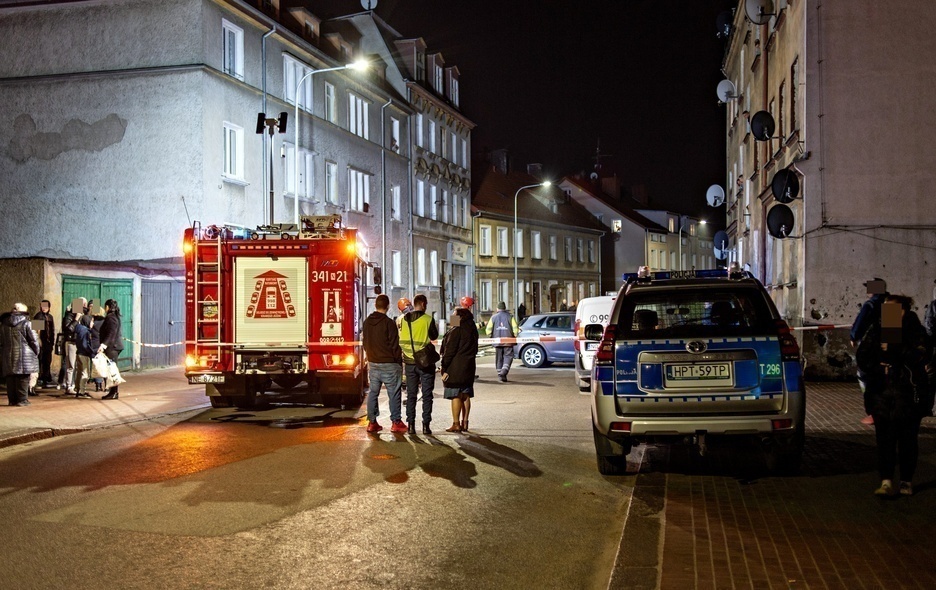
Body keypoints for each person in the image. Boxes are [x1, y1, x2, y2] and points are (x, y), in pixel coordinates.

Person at [855, 294, 931, 497]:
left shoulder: (915, 330)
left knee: (907, 439)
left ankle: (906, 480)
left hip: (908, 394)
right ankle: (886, 480)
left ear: (903, 311)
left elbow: (920, 354)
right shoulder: (877, 329)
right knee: (884, 439)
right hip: (881, 393)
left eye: (892, 310)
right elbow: (863, 355)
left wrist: (896, 351)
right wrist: (876, 368)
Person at [362, 294, 406, 433]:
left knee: (373, 393)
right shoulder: (389, 323)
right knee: (394, 393)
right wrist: (399, 362)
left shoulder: (367, 322)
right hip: (389, 364)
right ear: (387, 306)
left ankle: (372, 422)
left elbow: (365, 343)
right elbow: (394, 345)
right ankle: (396, 422)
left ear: (376, 305)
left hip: (373, 363)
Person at [400, 294, 439, 434]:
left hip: (410, 362)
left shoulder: (404, 320)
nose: (427, 306)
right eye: (426, 304)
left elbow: (402, 340)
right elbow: (434, 336)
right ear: (422, 304)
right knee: (427, 395)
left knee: (411, 395)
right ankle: (426, 426)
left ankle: (411, 426)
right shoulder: (428, 319)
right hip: (425, 362)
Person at [851, 278, 888, 425]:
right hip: (886, 349)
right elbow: (893, 333)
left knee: (865, 377)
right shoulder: (891, 304)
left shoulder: (870, 305)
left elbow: (859, 324)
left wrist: (854, 336)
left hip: (870, 349)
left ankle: (873, 412)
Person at [441, 305, 479, 432]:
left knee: (455, 394)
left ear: (460, 316)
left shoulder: (456, 329)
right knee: (466, 393)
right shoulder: (472, 328)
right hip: (469, 366)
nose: (452, 316)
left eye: (454, 314)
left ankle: (456, 423)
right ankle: (465, 422)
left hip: (456, 367)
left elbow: (449, 350)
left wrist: (444, 366)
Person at [1, 303, 41, 407]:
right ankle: (22, 400)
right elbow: (34, 341)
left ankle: (12, 400)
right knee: (23, 378)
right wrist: (36, 353)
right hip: (25, 356)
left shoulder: (4, 324)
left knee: (10, 378)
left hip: (8, 355)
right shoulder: (27, 323)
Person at [98, 299, 124, 400]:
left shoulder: (111, 317)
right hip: (114, 346)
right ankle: (113, 392)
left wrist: (103, 345)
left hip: (112, 347)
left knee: (111, 370)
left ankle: (113, 392)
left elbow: (111, 333)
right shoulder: (115, 316)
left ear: (107, 307)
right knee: (111, 369)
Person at [486, 301, 518, 382]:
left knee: (499, 357)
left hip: (497, 341)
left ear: (497, 309)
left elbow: (488, 330)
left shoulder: (493, 317)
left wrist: (491, 336)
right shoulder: (510, 317)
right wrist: (515, 335)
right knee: (508, 356)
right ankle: (504, 372)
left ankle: (500, 373)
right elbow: (516, 330)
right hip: (508, 340)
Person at [60, 298, 85, 395]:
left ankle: (76, 385)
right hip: (70, 342)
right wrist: (75, 319)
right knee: (70, 364)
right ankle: (68, 385)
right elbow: (68, 329)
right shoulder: (68, 316)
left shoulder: (82, 317)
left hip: (79, 342)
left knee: (79, 365)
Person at [73, 313, 99, 399]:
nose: (93, 323)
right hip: (84, 354)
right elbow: (85, 345)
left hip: (79, 353)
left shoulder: (79, 329)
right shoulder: (85, 331)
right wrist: (92, 351)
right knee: (85, 374)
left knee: (79, 373)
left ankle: (78, 389)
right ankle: (81, 391)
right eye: (91, 321)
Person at [33, 299, 55, 388]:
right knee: (40, 360)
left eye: (46, 306)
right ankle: (39, 379)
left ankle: (46, 378)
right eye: (43, 306)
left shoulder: (50, 317)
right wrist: (38, 341)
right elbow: (36, 331)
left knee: (47, 360)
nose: (44, 308)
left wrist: (52, 342)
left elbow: (52, 329)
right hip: (41, 342)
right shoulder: (38, 316)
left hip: (48, 343)